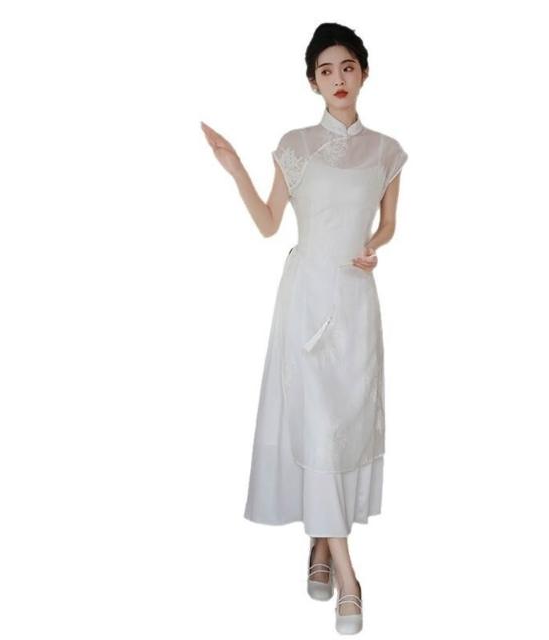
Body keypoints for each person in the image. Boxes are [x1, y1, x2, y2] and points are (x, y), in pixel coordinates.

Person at [200, 22, 408, 635]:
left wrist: (374, 245)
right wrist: (235, 167)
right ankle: (348, 576)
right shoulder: (295, 144)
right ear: (313, 82)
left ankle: (319, 542)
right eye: (325, 71)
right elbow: (269, 223)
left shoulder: (387, 151)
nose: (337, 79)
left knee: (341, 430)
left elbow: (389, 223)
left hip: (356, 300)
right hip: (305, 298)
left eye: (347, 67)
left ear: (364, 72)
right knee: (316, 427)